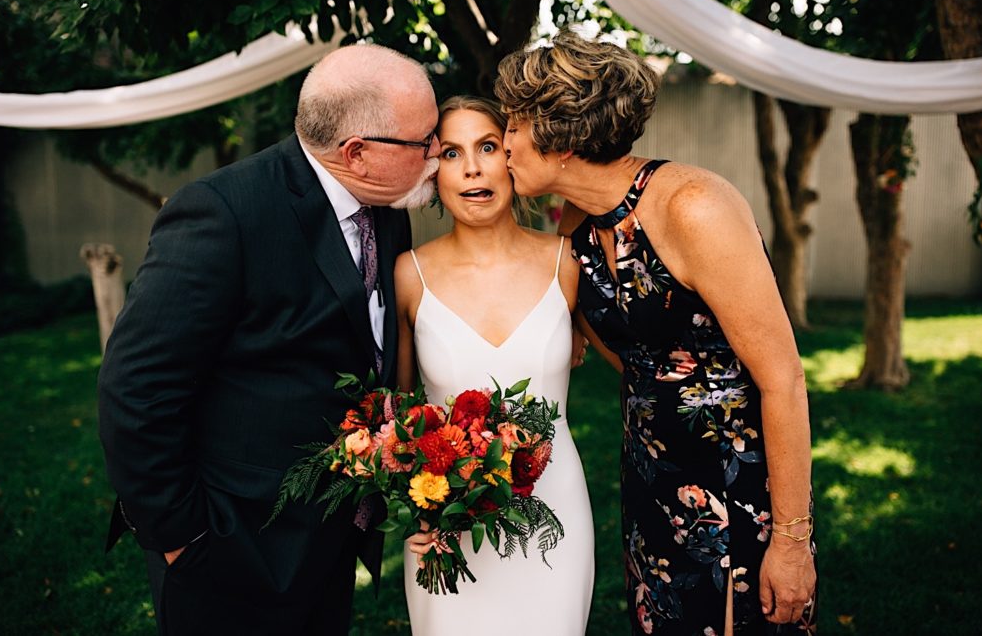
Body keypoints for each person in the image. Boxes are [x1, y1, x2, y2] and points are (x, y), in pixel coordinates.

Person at [97, 43, 440, 635]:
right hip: (231, 548)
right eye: (424, 141)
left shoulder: (387, 206)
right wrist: (183, 539)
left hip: (330, 540)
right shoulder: (222, 213)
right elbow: (136, 390)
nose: (438, 154)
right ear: (356, 152)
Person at [494, 32, 817, 636]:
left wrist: (792, 541)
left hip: (738, 491)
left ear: (559, 134)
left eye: (514, 126)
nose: (505, 145)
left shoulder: (694, 206)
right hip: (652, 490)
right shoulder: (582, 229)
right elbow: (638, 360)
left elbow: (784, 378)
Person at [395, 96, 595, 635]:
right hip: (448, 524)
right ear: (434, 172)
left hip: (556, 511)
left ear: (510, 158)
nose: (473, 168)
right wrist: (413, 507)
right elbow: (399, 413)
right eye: (452, 153)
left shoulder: (568, 263)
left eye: (486, 147)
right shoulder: (408, 274)